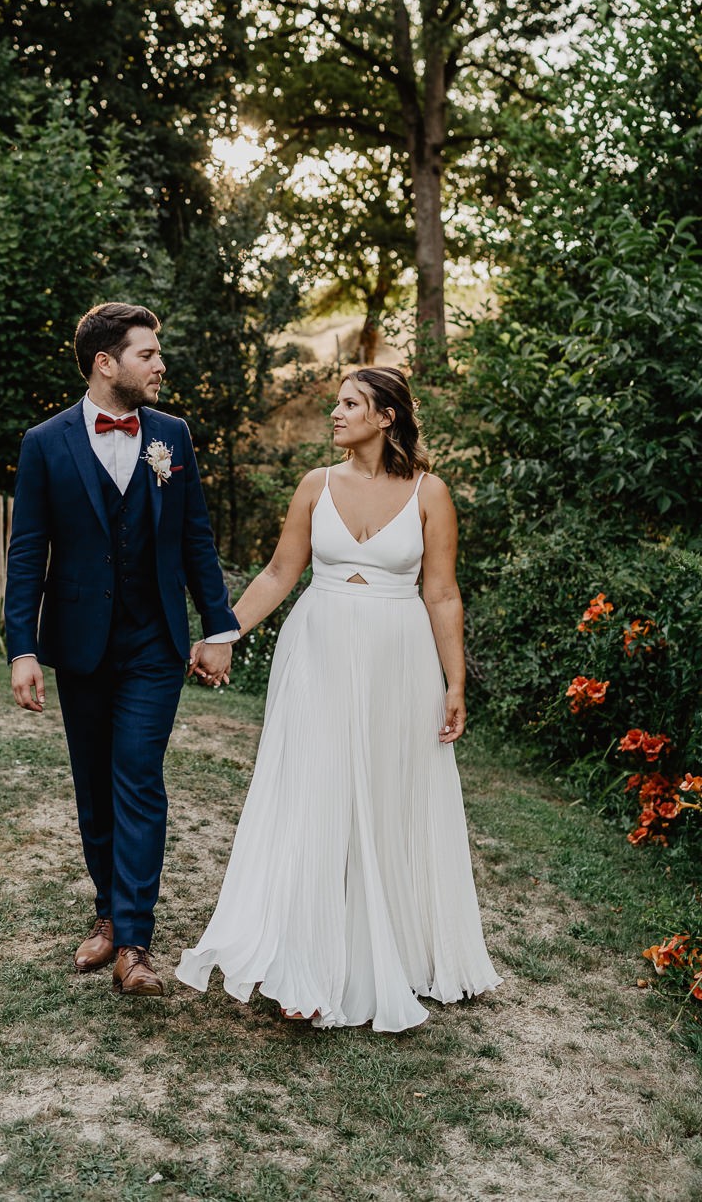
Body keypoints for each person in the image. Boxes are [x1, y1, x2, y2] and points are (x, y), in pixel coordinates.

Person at [177, 365, 502, 1030]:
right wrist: (223, 634)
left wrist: (455, 682)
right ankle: (306, 964)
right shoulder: (315, 486)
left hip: (399, 660)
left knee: (384, 796)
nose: (336, 413)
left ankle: (392, 952)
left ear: (386, 416)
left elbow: (440, 592)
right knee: (314, 796)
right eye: (337, 403)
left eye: (350, 404)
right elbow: (277, 573)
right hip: (317, 650)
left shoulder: (430, 493)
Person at [5, 302, 238, 995]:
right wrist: (22, 648)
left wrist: (219, 628)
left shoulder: (173, 436)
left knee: (138, 778)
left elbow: (196, 538)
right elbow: (26, 554)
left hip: (154, 644)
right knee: (94, 788)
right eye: (147, 353)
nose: (160, 364)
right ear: (106, 363)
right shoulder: (45, 443)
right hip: (79, 644)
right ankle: (106, 915)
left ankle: (135, 942)